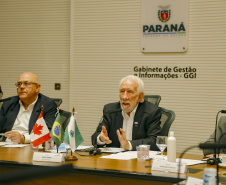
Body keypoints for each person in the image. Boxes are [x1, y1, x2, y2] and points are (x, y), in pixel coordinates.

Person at [91, 75, 162, 151]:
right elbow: (95, 137)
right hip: (113, 159)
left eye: (130, 92)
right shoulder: (110, 110)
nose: (124, 97)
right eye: (122, 91)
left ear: (140, 97)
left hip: (139, 159)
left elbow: (154, 141)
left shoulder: (151, 112)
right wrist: (101, 138)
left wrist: (129, 145)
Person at [0, 72, 57, 144]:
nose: (21, 87)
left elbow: (49, 132)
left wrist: (23, 138)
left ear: (37, 87)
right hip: (6, 146)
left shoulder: (48, 105)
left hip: (32, 146)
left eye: (26, 83)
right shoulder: (8, 103)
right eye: (19, 84)